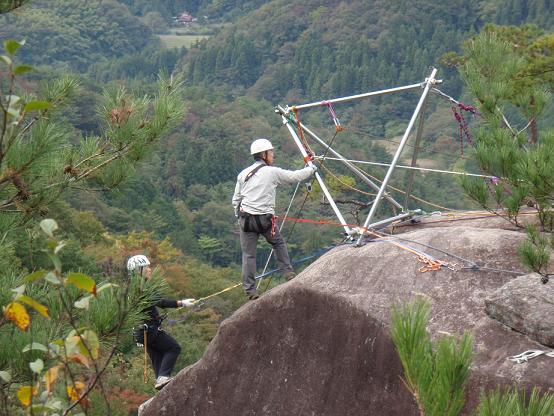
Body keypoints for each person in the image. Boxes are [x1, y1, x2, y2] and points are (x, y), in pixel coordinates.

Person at [232, 138, 317, 300]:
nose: (272, 155)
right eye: (270, 152)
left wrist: (239, 218)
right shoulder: (271, 172)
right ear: (264, 154)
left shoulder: (243, 174)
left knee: (249, 255)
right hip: (264, 220)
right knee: (278, 243)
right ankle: (288, 273)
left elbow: (235, 200)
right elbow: (294, 177)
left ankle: (250, 290)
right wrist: (311, 169)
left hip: (246, 220)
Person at [127, 254, 196, 390]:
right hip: (149, 331)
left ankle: (162, 383)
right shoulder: (141, 288)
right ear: (138, 271)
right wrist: (181, 303)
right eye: (146, 267)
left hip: (142, 333)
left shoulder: (131, 289)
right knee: (173, 348)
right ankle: (163, 377)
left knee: (159, 357)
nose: (149, 269)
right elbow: (161, 302)